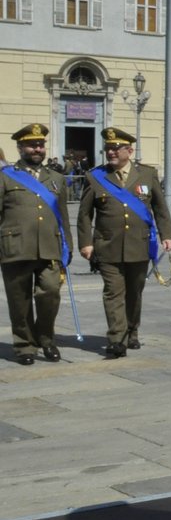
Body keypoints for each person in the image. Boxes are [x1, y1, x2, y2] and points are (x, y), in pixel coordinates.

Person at [77, 127, 171, 358]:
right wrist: (86, 243)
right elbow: (85, 214)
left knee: (134, 293)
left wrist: (166, 235)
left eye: (115, 148)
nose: (110, 152)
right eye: (107, 148)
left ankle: (132, 331)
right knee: (112, 292)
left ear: (129, 150)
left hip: (139, 245)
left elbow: (160, 208)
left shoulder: (147, 175)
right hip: (107, 245)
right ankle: (116, 338)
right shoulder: (96, 176)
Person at [1, 124, 70, 365]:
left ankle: (46, 338)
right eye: (31, 144)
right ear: (20, 147)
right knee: (19, 301)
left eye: (40, 144)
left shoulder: (56, 178)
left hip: (49, 247)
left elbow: (63, 216)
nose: (37, 149)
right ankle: (24, 346)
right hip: (15, 248)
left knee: (50, 292)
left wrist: (67, 247)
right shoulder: (5, 176)